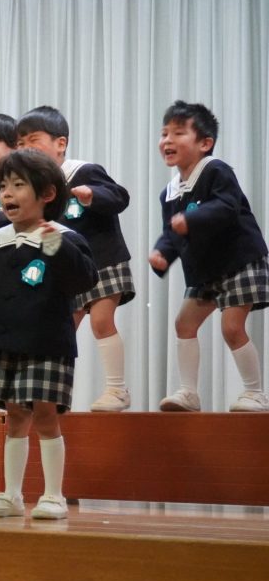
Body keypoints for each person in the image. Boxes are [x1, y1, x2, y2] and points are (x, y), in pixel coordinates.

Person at [0, 150, 97, 520]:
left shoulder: (63, 236)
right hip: (2, 342)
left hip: (46, 343)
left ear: (47, 194)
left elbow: (84, 280)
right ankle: (12, 495)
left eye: (18, 185)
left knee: (46, 415)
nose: (7, 193)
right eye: (3, 186)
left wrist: (56, 248)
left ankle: (53, 495)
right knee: (14, 416)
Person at [151, 100, 269, 412]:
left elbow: (227, 206)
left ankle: (255, 393)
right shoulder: (170, 192)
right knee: (183, 324)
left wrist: (192, 219)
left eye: (178, 133)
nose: (167, 140)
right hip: (206, 269)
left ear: (205, 143)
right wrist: (162, 253)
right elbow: (172, 233)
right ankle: (189, 393)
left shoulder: (215, 170)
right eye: (164, 133)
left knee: (232, 327)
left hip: (238, 261)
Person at [17, 106, 134, 412]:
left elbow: (120, 196)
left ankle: (117, 389)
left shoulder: (82, 171)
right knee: (62, 330)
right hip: (68, 269)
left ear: (61, 143)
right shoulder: (39, 188)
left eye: (33, 140)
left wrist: (91, 194)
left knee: (101, 321)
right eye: (20, 144)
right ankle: (53, 393)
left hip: (103, 259)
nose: (26, 148)